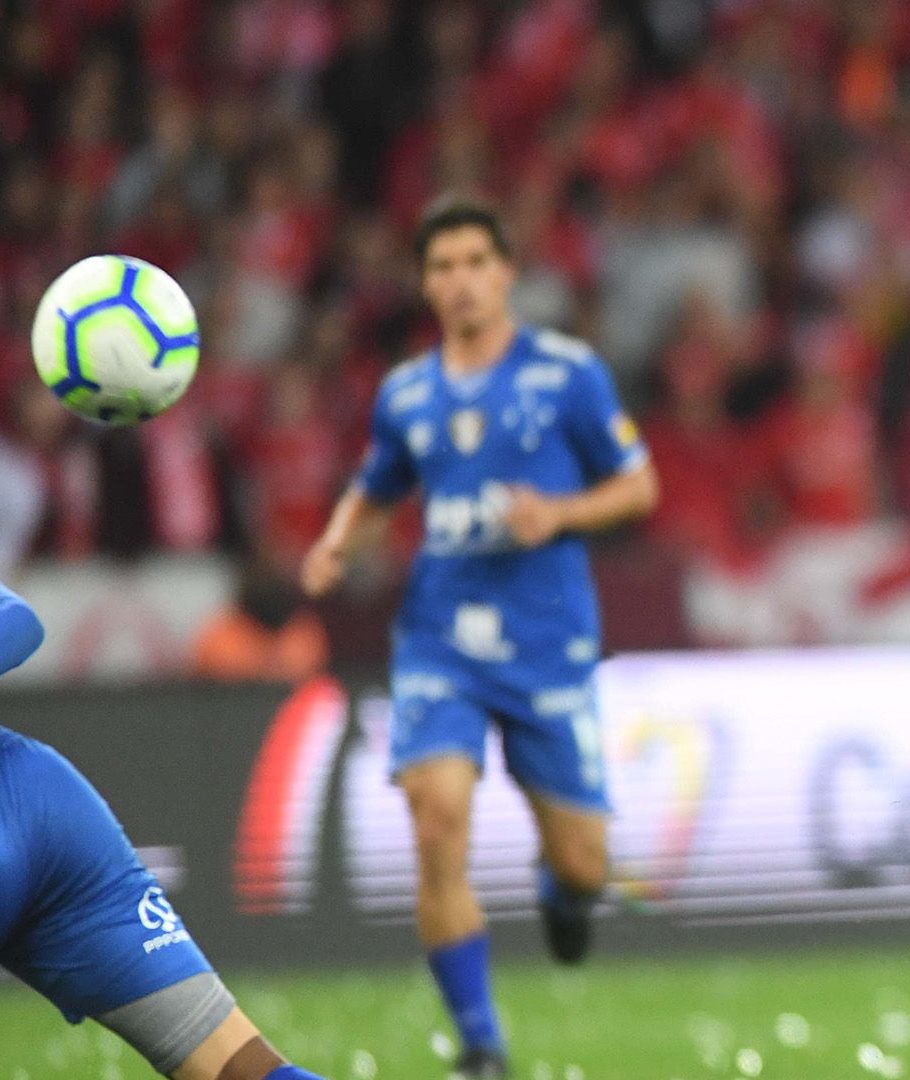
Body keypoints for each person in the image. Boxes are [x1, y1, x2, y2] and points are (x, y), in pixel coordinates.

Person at [300, 197, 659, 1079]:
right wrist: (340, 538)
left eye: (475, 262)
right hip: (439, 643)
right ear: (426, 284)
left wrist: (562, 512)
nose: (460, 281)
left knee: (582, 861)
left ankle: (565, 895)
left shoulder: (568, 374)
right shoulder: (407, 393)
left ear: (506, 273)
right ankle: (481, 1044)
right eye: (443, 266)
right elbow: (377, 485)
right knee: (437, 816)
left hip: (547, 645)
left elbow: (640, 487)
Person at [0, 569, 325, 1080]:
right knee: (238, 1067)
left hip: (37, 810)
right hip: (41, 800)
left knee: (238, 1065)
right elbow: (16, 620)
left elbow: (19, 622)